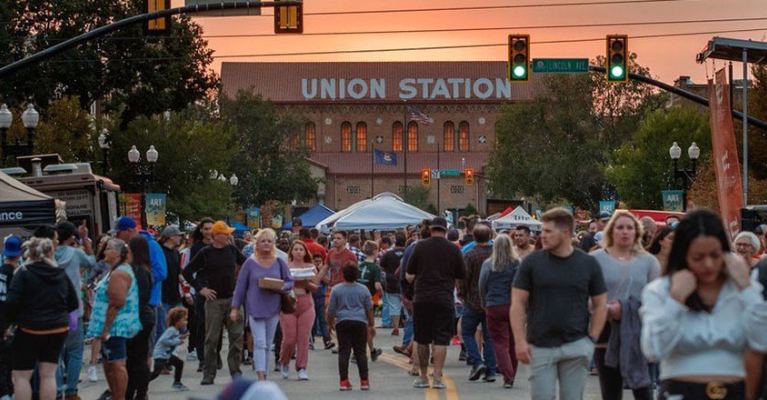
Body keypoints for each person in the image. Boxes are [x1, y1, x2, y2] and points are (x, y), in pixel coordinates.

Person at [640, 209, 767, 400]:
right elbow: (652, 349)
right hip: (680, 391)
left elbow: (762, 341)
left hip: (733, 391)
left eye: (715, 255)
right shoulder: (662, 289)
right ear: (682, 255)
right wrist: (675, 301)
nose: (708, 264)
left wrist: (748, 289)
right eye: (698, 257)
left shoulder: (740, 289)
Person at [511, 208, 608, 400]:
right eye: (542, 231)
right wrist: (520, 341)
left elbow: (601, 304)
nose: (542, 236)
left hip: (576, 345)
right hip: (540, 345)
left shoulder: (587, 263)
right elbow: (518, 303)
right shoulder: (532, 263)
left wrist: (592, 339)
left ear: (565, 233)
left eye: (548, 231)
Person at [591, 210, 660, 400]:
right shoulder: (596, 259)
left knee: (643, 388)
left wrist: (627, 309)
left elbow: (656, 299)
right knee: (611, 391)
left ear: (636, 232)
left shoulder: (649, 262)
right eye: (620, 227)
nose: (624, 232)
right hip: (605, 330)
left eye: (629, 228)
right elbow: (587, 295)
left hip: (639, 330)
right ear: (611, 230)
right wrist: (603, 308)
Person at [6, 237, 79, 400]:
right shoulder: (60, 273)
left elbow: (11, 302)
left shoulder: (23, 272)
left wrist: (11, 323)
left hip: (29, 329)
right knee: (48, 375)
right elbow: (73, 302)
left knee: (22, 376)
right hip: (57, 329)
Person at [406, 216, 467, 390]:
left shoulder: (420, 246)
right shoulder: (454, 249)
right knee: (441, 340)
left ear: (431, 229)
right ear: (446, 230)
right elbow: (461, 275)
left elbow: (409, 274)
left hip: (423, 298)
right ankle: (438, 376)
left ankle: (423, 376)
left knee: (422, 338)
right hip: (444, 298)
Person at [183, 221, 246, 385]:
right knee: (211, 339)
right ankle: (209, 373)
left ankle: (236, 373)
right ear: (217, 236)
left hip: (233, 299)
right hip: (213, 301)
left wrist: (242, 286)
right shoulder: (205, 252)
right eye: (226, 233)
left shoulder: (232, 250)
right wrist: (200, 289)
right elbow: (187, 271)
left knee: (237, 337)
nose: (228, 236)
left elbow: (247, 265)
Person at [231, 229, 294, 381]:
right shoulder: (250, 263)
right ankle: (260, 375)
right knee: (259, 342)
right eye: (263, 241)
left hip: (273, 307)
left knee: (267, 342)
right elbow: (240, 286)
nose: (266, 244)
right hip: (255, 308)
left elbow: (289, 281)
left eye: (269, 241)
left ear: (274, 244)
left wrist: (279, 287)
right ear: (256, 244)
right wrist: (235, 308)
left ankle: (264, 371)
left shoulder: (279, 262)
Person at [53, 221, 96, 400]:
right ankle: (71, 391)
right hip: (73, 310)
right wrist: (85, 239)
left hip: (53, 310)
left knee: (54, 355)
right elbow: (93, 262)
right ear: (72, 237)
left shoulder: (49, 254)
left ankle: (55, 391)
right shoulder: (76, 254)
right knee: (75, 352)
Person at [478, 233, 520, 389]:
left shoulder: (488, 264)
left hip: (494, 305)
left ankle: (507, 375)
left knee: (500, 343)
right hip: (513, 305)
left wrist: (484, 301)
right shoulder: (517, 263)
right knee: (513, 342)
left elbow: (482, 285)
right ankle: (512, 374)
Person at [326, 263, 375, 391]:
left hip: (342, 321)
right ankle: (364, 381)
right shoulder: (363, 289)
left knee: (344, 351)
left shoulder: (336, 289)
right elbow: (369, 308)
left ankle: (344, 381)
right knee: (360, 352)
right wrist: (371, 324)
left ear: (343, 275)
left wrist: (329, 323)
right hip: (359, 321)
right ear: (357, 275)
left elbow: (331, 309)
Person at [458, 224, 497, 382]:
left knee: (467, 332)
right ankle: (491, 370)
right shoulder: (496, 254)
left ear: (474, 237)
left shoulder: (470, 255)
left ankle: (476, 361)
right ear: (490, 237)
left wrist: (463, 294)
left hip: (473, 300)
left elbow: (463, 278)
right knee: (489, 336)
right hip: (492, 299)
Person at [278, 240, 319, 381]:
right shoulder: (285, 267)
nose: (298, 252)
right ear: (291, 252)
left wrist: (305, 282)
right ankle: (284, 361)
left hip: (306, 303)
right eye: (296, 249)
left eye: (301, 249)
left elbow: (315, 287)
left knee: (303, 338)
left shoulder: (310, 267)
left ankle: (302, 367)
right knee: (289, 338)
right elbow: (279, 285)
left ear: (305, 252)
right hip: (289, 303)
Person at [125, 236, 156, 400]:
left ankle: (139, 393)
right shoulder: (141, 269)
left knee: (137, 359)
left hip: (140, 318)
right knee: (137, 359)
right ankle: (137, 392)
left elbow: (141, 298)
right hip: (142, 317)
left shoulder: (140, 271)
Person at [0, 236, 21, 400]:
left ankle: (4, 393)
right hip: (12, 325)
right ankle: (11, 393)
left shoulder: (1, 272)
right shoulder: (18, 274)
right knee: (12, 363)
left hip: (1, 322)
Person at [150, 307, 189, 391]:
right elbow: (164, 340)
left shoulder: (175, 330)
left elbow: (172, 339)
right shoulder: (171, 330)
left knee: (179, 363)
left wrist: (181, 337)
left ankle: (177, 382)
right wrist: (177, 341)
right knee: (156, 373)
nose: (186, 322)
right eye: (184, 320)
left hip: (166, 355)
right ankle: (141, 383)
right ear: (177, 321)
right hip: (161, 355)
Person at [157, 226, 185, 344]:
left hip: (175, 294)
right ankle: (163, 354)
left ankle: (172, 350)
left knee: (182, 325)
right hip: (163, 295)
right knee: (163, 328)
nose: (180, 238)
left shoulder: (175, 253)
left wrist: (183, 281)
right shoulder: (160, 252)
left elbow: (178, 272)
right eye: (178, 235)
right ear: (171, 237)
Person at [357, 240, 383, 361]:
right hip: (370, 299)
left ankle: (372, 350)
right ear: (374, 251)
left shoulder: (359, 265)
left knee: (362, 325)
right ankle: (361, 351)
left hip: (357, 298)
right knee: (369, 327)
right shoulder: (375, 268)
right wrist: (381, 294)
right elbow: (377, 285)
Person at [380, 234, 406, 336]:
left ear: (395, 242)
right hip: (406, 283)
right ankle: (408, 325)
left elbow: (382, 268)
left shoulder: (388, 254)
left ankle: (395, 327)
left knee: (394, 306)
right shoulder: (408, 253)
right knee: (407, 307)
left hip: (391, 283)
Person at [310, 253, 334, 350]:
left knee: (323, 319)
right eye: (316, 261)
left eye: (320, 261)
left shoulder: (324, 271)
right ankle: (310, 341)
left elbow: (328, 282)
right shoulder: (310, 271)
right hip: (312, 296)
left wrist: (321, 271)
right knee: (312, 320)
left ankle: (327, 340)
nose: (318, 263)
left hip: (322, 297)